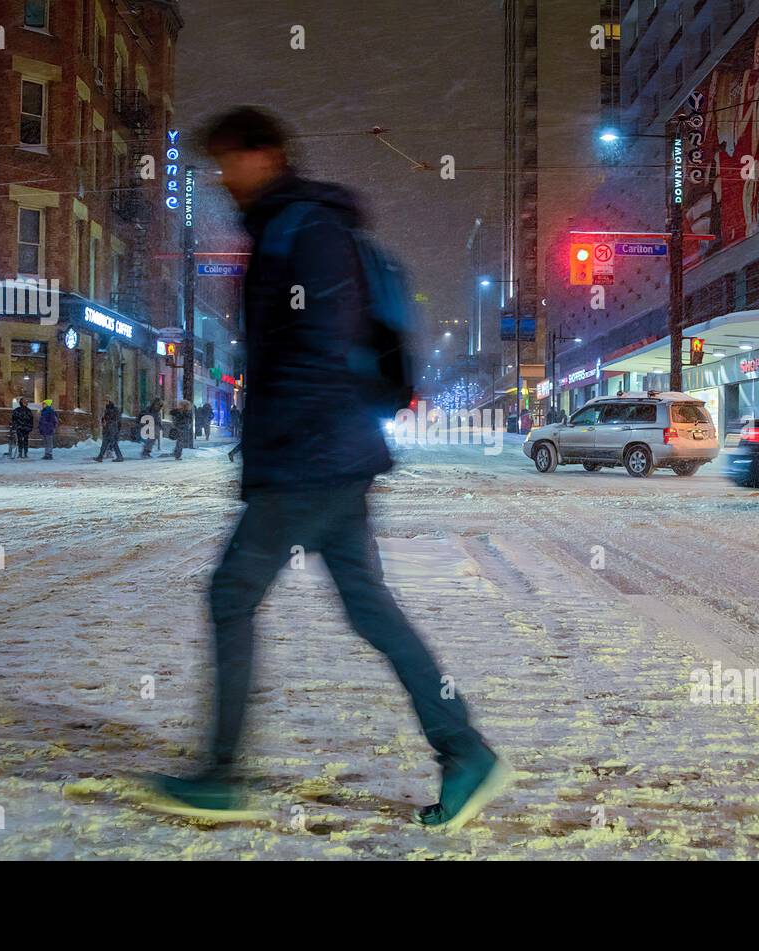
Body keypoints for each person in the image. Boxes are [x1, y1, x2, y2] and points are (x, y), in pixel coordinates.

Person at [139, 107, 505, 829]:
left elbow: (316, 348)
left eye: (229, 162)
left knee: (231, 593)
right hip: (329, 455)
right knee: (368, 605)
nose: (222, 179)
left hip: (310, 458)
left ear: (265, 154)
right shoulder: (287, 225)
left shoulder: (303, 228)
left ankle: (221, 775)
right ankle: (464, 750)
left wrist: (283, 451)